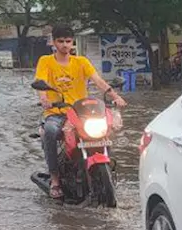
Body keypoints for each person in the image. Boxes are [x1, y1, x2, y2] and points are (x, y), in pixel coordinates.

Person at [33, 25, 126, 199]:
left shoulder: (81, 62)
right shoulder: (45, 61)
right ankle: (55, 179)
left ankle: (107, 171)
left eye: (68, 41)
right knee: (50, 132)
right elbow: (40, 81)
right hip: (57, 112)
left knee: (106, 129)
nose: (65, 45)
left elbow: (98, 81)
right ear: (53, 42)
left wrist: (115, 96)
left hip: (81, 112)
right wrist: (44, 99)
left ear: (73, 43)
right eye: (60, 41)